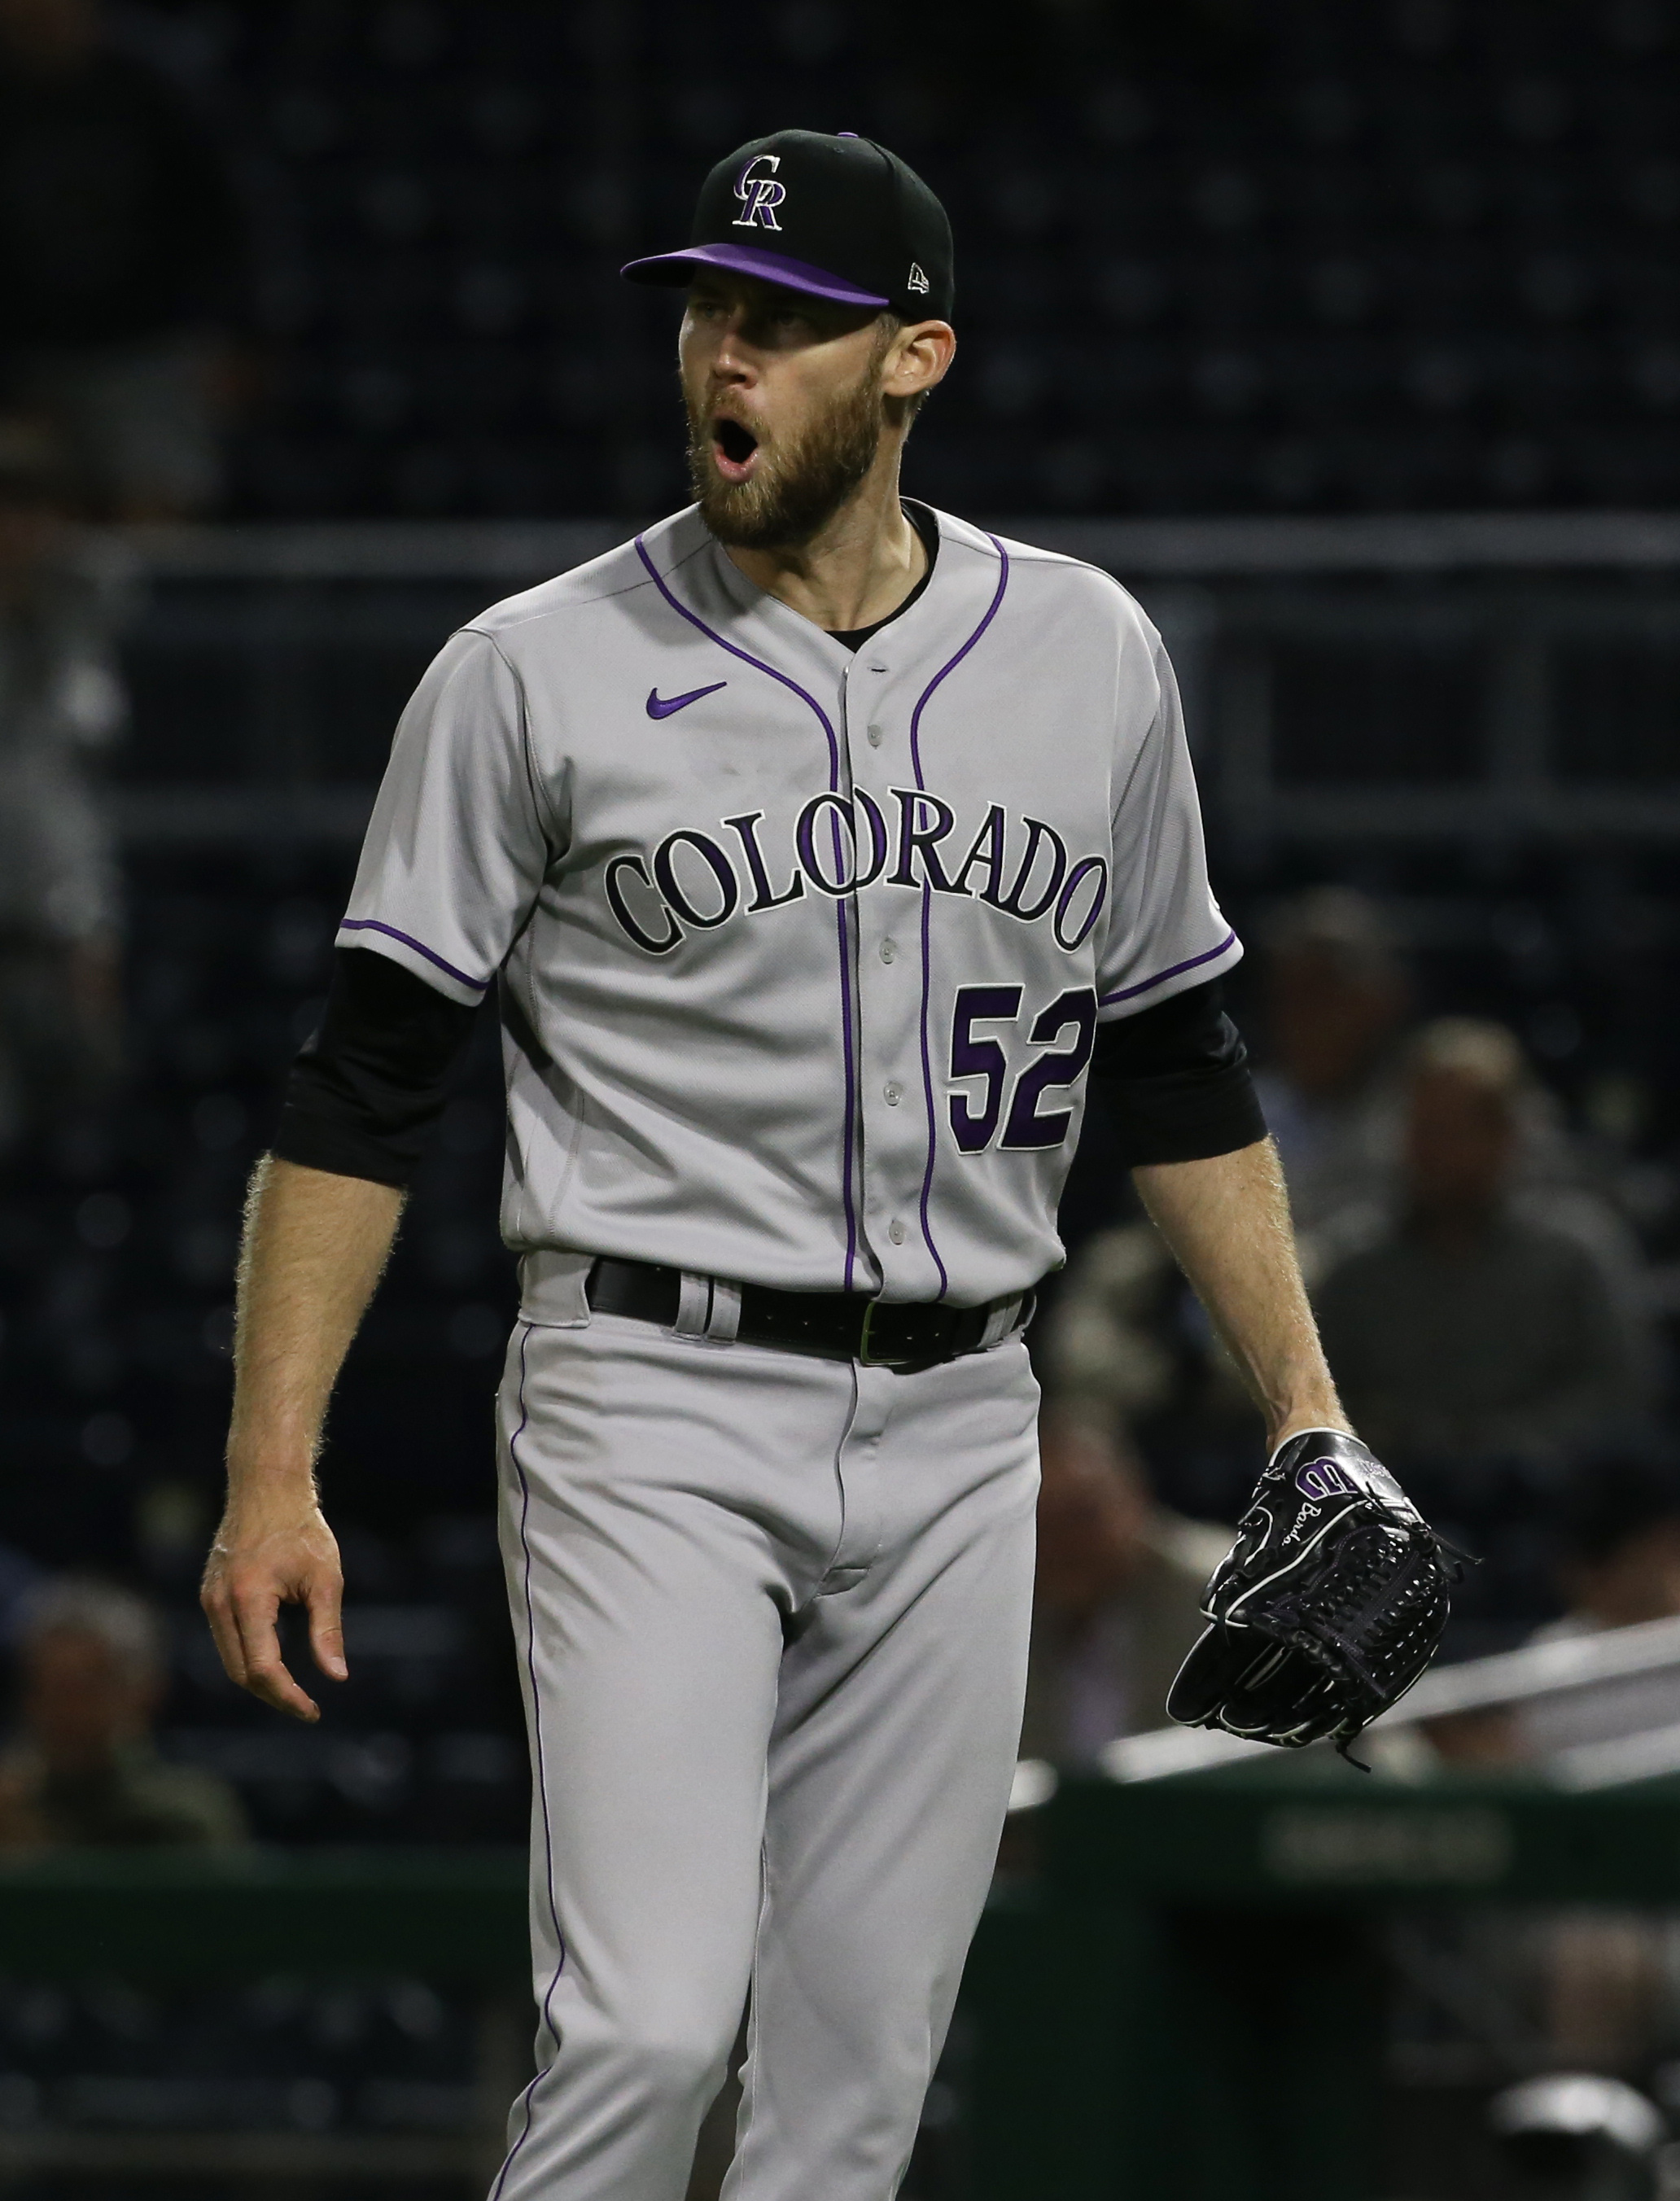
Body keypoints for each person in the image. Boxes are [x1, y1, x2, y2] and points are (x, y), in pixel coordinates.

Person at [202, 131, 1368, 2201]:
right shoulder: (525, 673)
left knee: (849, 2102)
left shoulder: (1083, 652)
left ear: (912, 358)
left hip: (961, 1425)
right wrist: (269, 1466)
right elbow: (359, 1092)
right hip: (646, 1395)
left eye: (781, 326)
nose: (719, 360)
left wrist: (1304, 1409)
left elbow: (1175, 1061)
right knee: (650, 2025)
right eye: (703, 313)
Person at [1315, 1019, 1651, 1463]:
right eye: (1424, 1128)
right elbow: (1321, 1401)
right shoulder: (1356, 1264)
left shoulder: (1573, 1254)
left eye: (1459, 1130)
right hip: (1396, 1498)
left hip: (1555, 1497)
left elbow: (1622, 1391)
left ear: (1507, 1135)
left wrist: (1511, 1444)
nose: (1435, 1151)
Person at [0, 0, 244, 518]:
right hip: (26, 355)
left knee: (157, 510)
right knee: (26, 505)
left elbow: (214, 219)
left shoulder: (149, 88)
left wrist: (230, 330)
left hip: (145, 349)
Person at [0, 412, 125, 1152]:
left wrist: (91, 929)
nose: (16, 528)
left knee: (78, 1130)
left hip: (51, 932)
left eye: (31, 507)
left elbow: (64, 808)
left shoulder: (84, 619)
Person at [1020, 1409, 1229, 1764]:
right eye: (1042, 1524)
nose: (1062, 1545)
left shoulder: (1227, 1602)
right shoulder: (990, 1621)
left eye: (1080, 1517)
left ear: (1136, 1500)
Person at [0, 1576, 244, 1847]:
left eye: (86, 1690)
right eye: (49, 1690)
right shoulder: (12, 1798)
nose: (67, 1711)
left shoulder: (183, 1814)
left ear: (142, 1692)